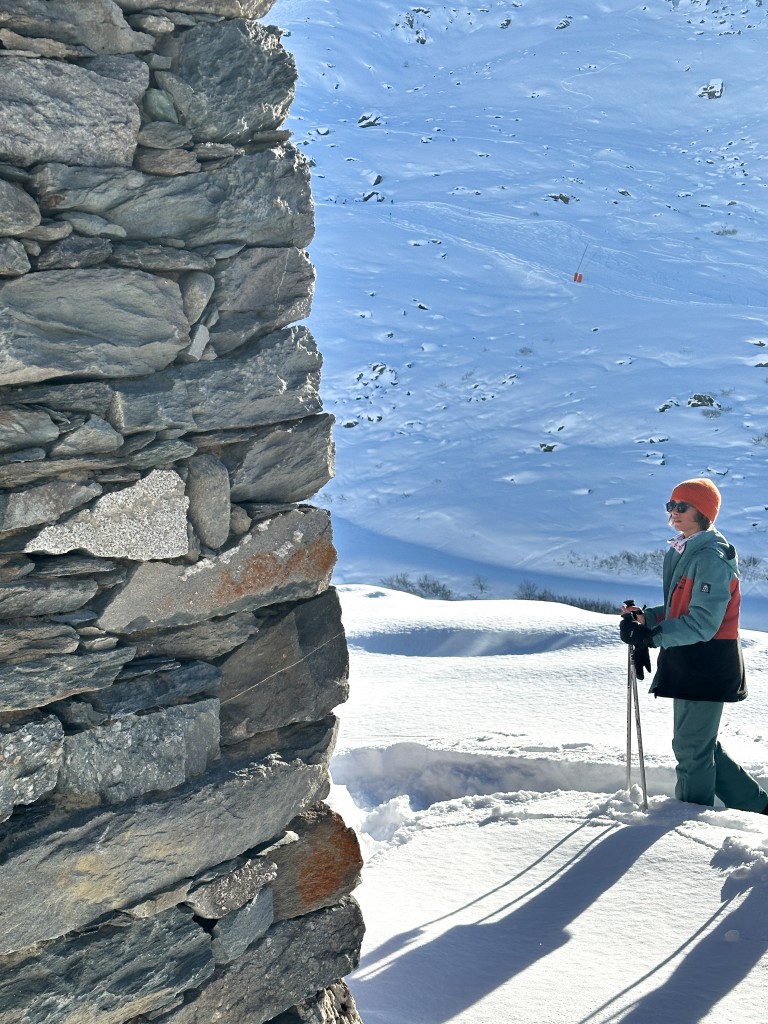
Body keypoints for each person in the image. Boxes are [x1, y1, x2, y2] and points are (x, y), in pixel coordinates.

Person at [620, 477, 768, 814]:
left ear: (703, 511)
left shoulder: (712, 557)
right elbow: (680, 610)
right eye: (670, 505)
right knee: (700, 745)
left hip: (708, 660)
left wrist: (652, 636)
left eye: (681, 506)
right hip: (689, 656)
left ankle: (688, 821)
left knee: (691, 747)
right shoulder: (686, 547)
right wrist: (648, 620)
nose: (673, 512)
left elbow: (703, 623)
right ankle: (758, 808)